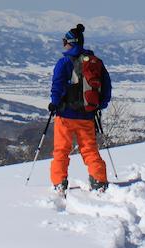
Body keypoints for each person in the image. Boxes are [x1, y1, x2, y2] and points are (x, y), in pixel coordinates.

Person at [48, 24, 111, 194]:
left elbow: (57, 86)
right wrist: (100, 105)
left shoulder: (64, 62)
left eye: (64, 41)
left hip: (65, 115)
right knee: (89, 149)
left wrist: (54, 103)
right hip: (87, 115)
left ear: (70, 42)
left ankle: (59, 182)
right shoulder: (95, 62)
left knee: (61, 150)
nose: (63, 45)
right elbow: (106, 87)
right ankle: (99, 179)